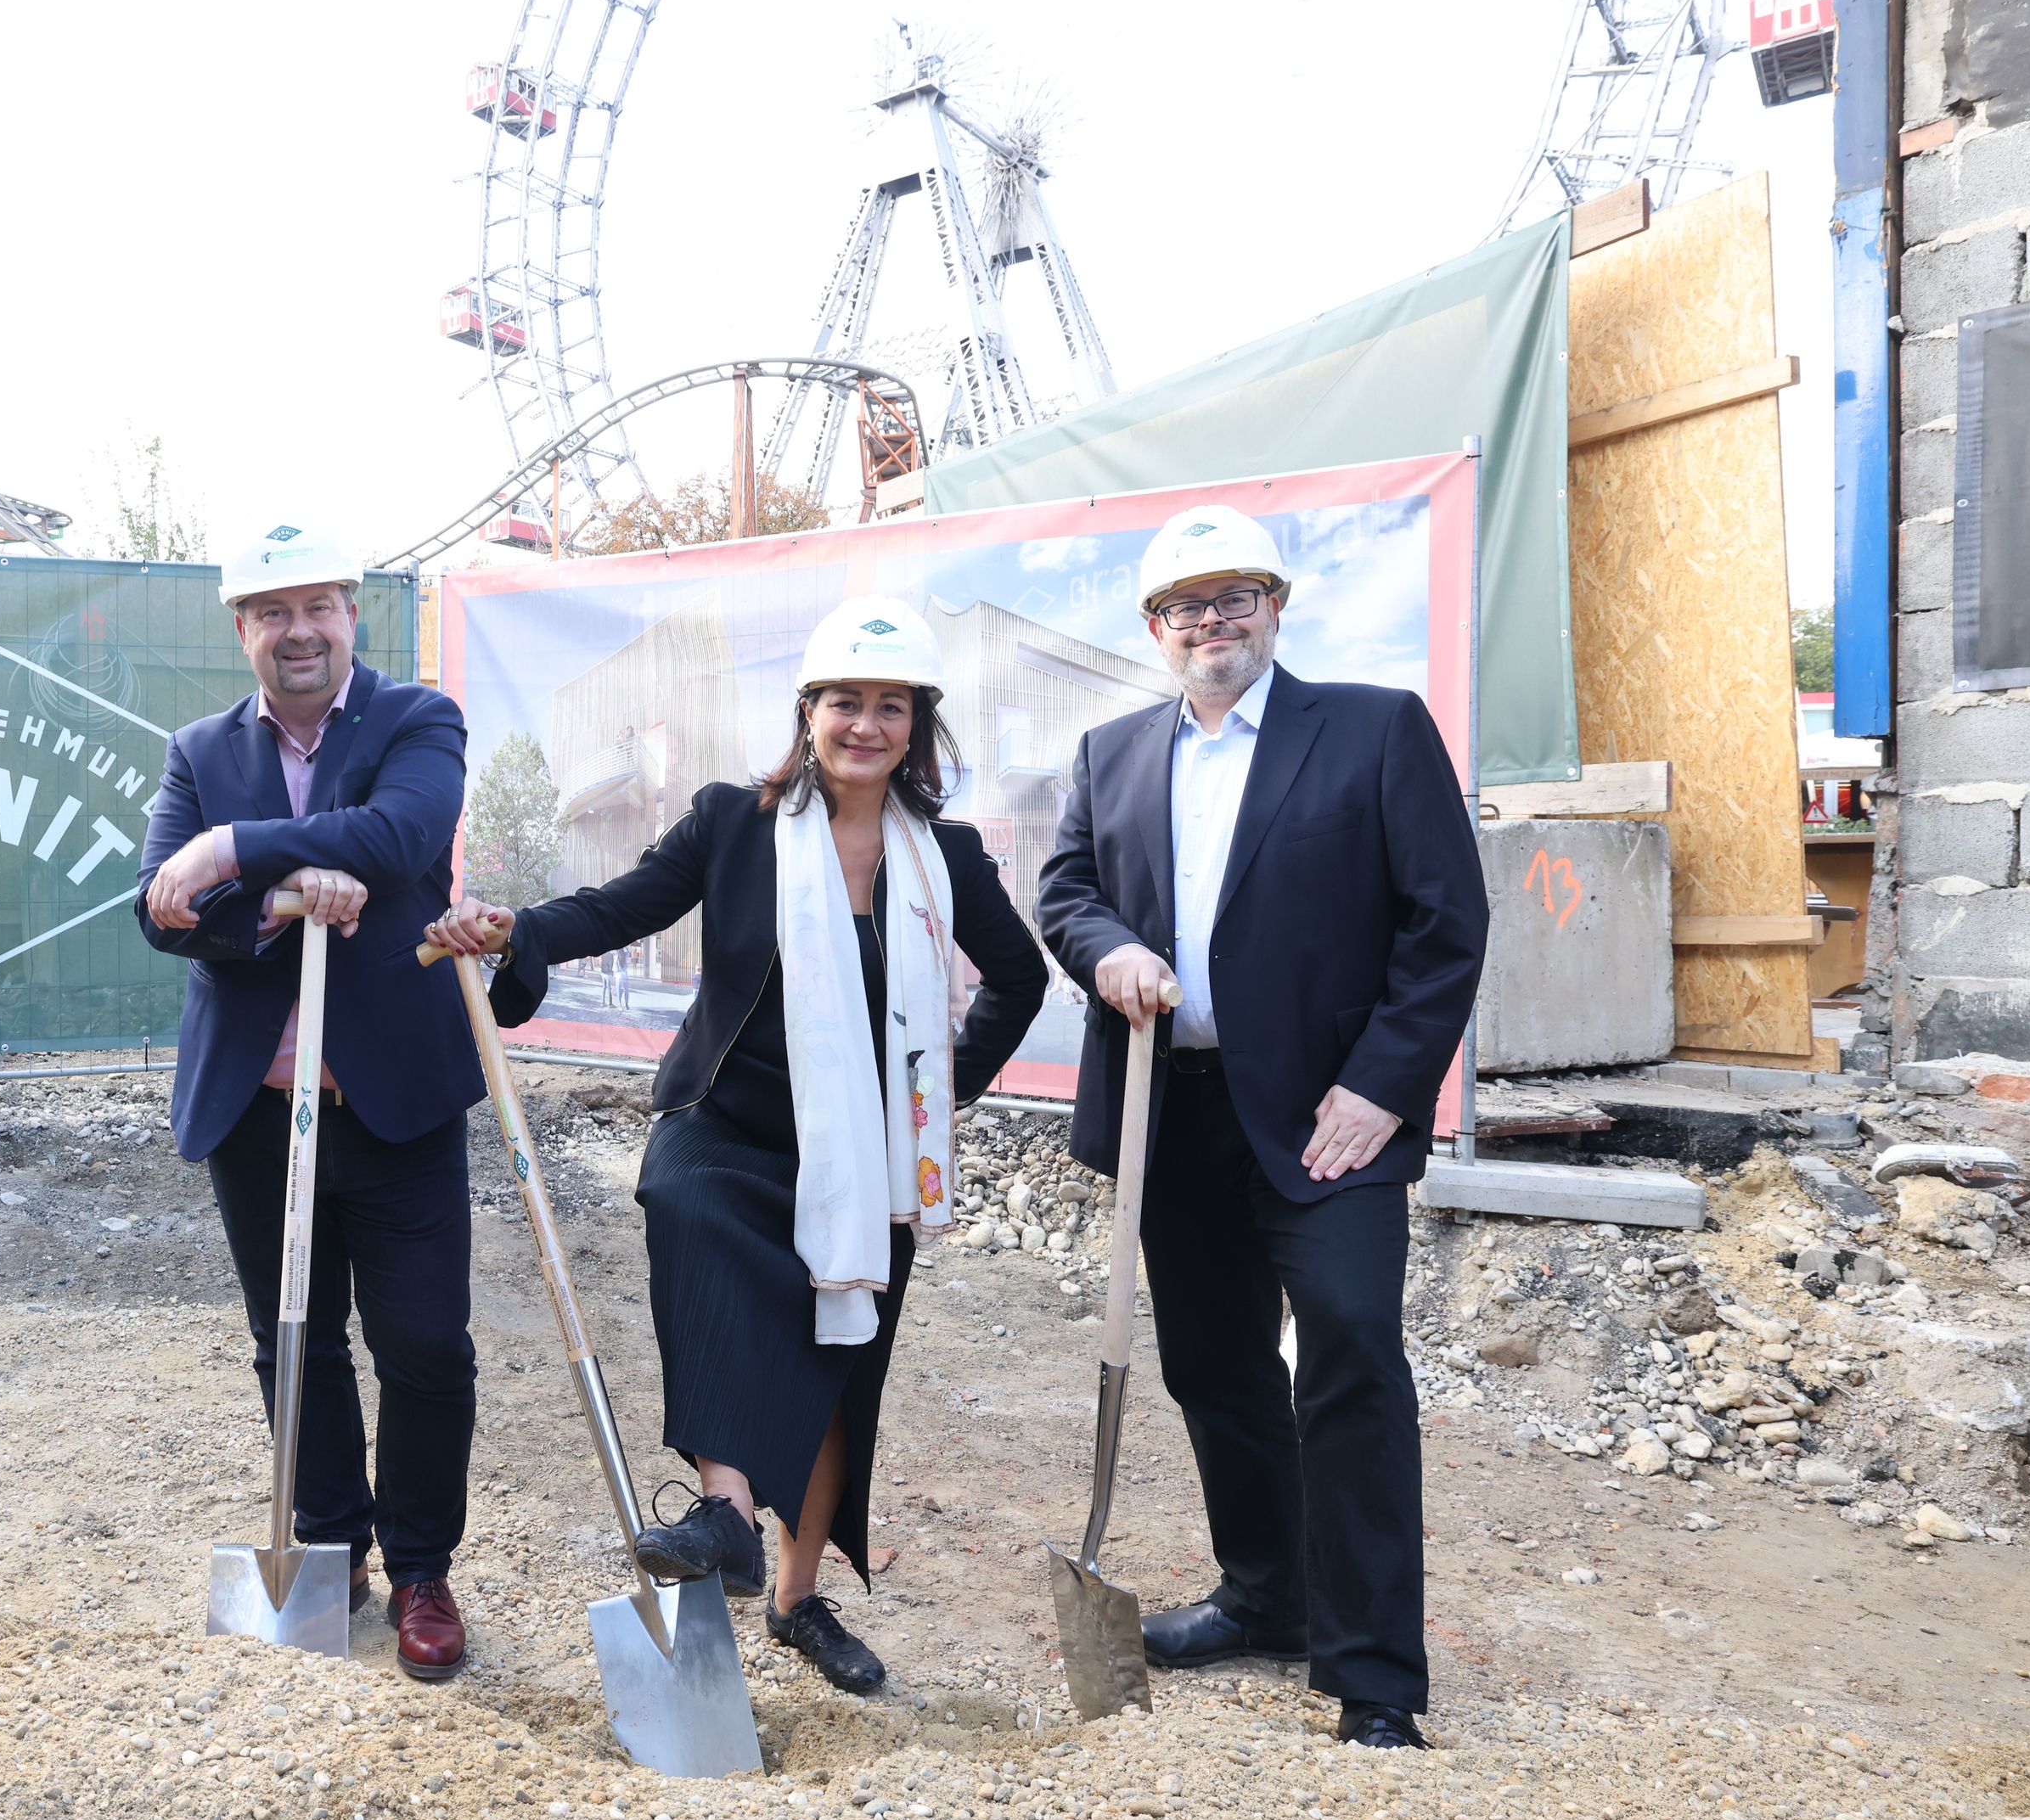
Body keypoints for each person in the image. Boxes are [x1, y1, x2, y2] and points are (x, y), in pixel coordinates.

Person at [424, 596, 1048, 1694]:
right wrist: (518, 929)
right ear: (808, 711)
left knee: (836, 1367)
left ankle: (797, 1602)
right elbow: (620, 906)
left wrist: (936, 1103)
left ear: (918, 724)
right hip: (727, 1121)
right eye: (844, 700)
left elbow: (1020, 978)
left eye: (890, 705)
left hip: (870, 1157)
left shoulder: (945, 856)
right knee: (688, 1208)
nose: (865, 723)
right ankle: (726, 1511)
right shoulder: (733, 822)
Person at [1032, 504, 1487, 1750]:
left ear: (1275, 607)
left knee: (1350, 1355)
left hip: (1330, 1118)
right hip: (1173, 1110)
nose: (1210, 622)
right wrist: (1108, 947)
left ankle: (1373, 1668)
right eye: (1185, 605)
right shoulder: (1113, 752)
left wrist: (1383, 1085)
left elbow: (1444, 922)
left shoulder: (1374, 728)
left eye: (1234, 596)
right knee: (1216, 1367)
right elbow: (1067, 888)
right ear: (1155, 628)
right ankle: (1267, 1597)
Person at [136, 520, 489, 1681]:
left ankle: (423, 1566)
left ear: (351, 614)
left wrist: (233, 847)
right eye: (272, 612)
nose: (299, 631)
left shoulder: (416, 719)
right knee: (292, 1337)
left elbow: (400, 834)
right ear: (242, 628)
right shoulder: (198, 750)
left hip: (397, 1099)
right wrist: (280, 891)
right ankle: (331, 1548)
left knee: (424, 1346)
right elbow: (159, 912)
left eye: (318, 606)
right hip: (257, 1105)